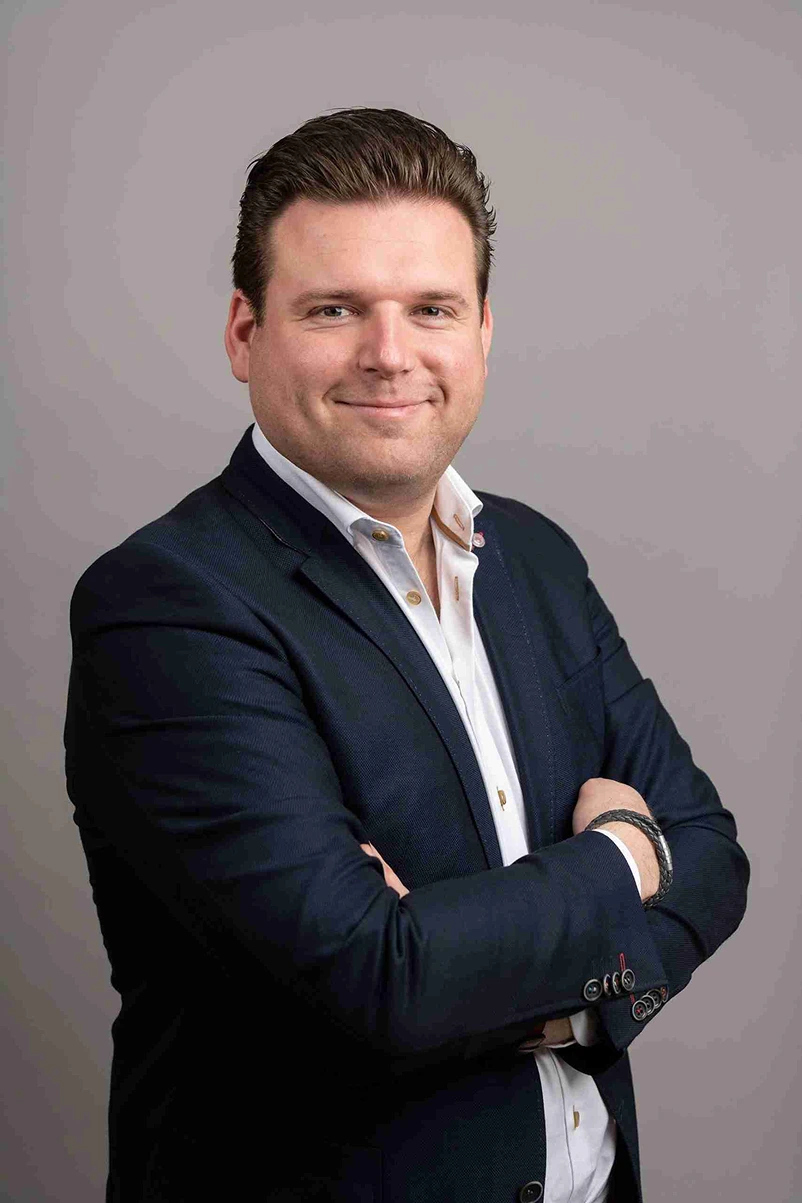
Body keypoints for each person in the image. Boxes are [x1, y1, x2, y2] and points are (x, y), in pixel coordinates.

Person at [64, 107, 750, 1203]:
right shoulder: (168, 605)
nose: (389, 355)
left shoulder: (533, 560)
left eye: (430, 308)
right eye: (333, 309)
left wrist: (568, 995)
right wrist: (625, 853)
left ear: (480, 330)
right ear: (244, 331)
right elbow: (378, 983)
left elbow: (713, 856)